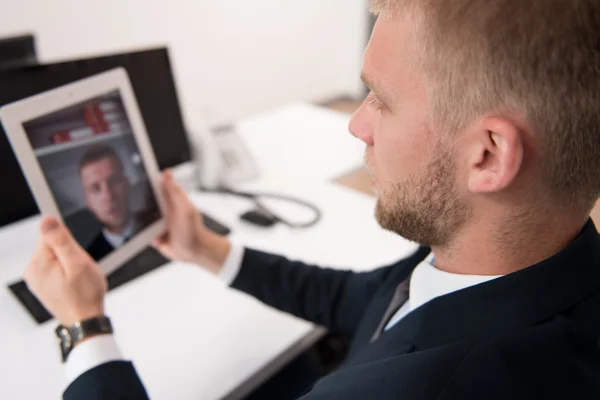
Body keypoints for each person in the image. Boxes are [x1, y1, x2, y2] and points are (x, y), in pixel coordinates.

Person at [23, 0, 600, 399]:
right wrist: (204, 248)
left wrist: (83, 324)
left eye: (379, 98)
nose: (356, 124)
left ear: (488, 156)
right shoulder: (525, 255)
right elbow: (368, 301)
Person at [78, 144, 151, 261]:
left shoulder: (158, 223)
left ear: (127, 185)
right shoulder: (87, 259)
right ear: (88, 202)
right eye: (95, 188)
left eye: (114, 181)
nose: (108, 196)